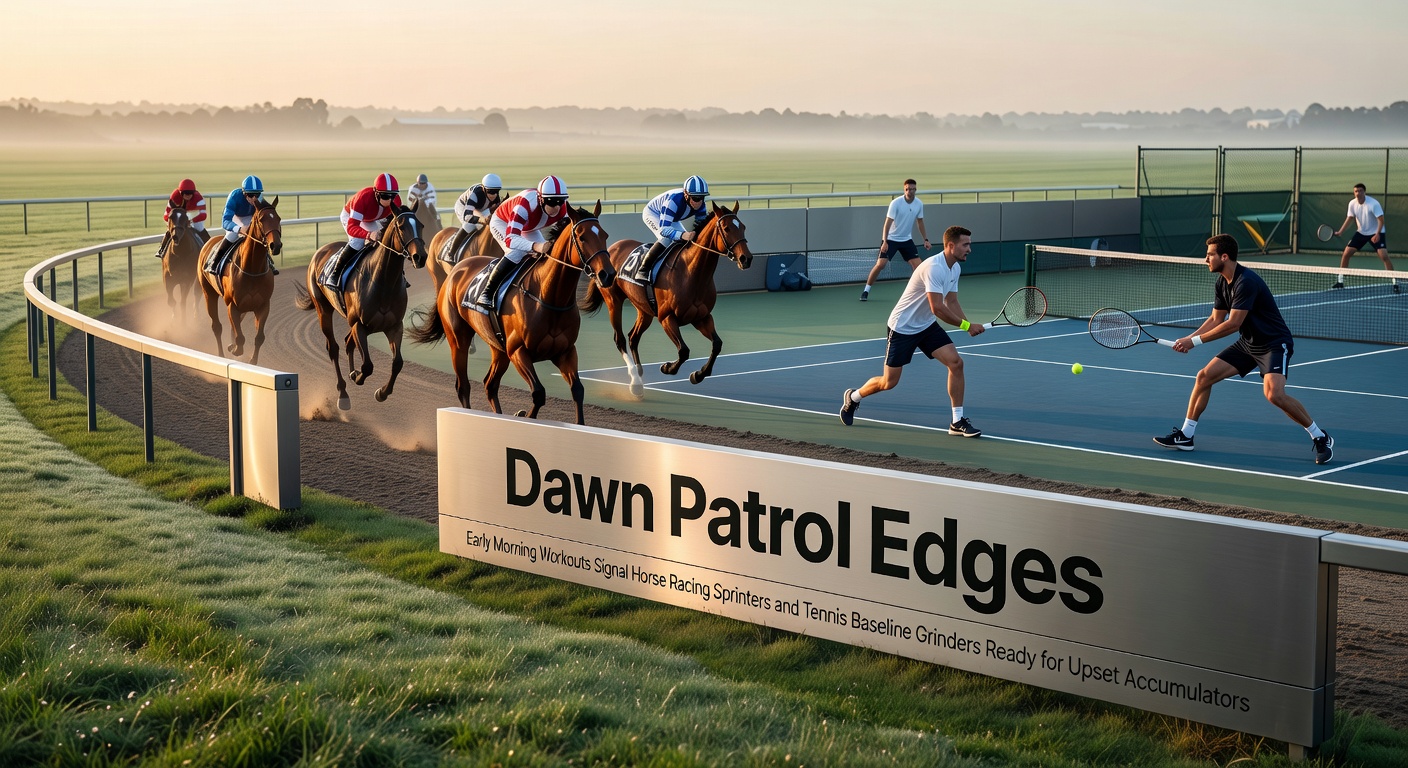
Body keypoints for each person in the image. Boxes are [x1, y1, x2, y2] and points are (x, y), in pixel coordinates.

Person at [1154, 234, 1333, 464]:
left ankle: (1320, 436)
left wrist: (1195, 342)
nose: (1205, 259)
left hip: (1273, 343)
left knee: (1274, 395)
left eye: (1209, 255)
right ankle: (1186, 436)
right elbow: (1216, 319)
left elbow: (1233, 324)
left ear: (1224, 256)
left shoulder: (1246, 282)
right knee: (1204, 377)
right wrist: (1188, 338)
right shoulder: (1221, 283)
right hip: (1248, 343)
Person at [839, 225, 984, 437]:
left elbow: (951, 301)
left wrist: (968, 324)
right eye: (965, 245)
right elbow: (937, 308)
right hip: (902, 327)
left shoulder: (955, 269)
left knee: (956, 363)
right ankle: (853, 397)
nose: (969, 249)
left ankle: (956, 421)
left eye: (969, 244)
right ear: (951, 245)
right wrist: (966, 326)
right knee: (889, 382)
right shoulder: (933, 267)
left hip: (926, 325)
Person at [476, 175, 569, 308]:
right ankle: (487, 292)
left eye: (561, 201)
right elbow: (511, 239)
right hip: (502, 222)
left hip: (529, 227)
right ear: (541, 199)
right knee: (516, 252)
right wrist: (536, 246)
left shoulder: (563, 209)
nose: (557, 208)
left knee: (548, 254)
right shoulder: (525, 205)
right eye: (552, 202)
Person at [321, 173, 402, 289]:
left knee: (384, 241)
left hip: (371, 218)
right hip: (351, 217)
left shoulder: (396, 201)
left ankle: (397, 275)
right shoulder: (363, 198)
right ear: (376, 193)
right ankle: (335, 274)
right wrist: (369, 234)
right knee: (357, 242)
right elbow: (352, 227)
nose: (390, 200)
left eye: (393, 196)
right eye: (385, 196)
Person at [859, 179, 931, 302]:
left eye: (912, 189)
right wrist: (885, 241)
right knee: (880, 264)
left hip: (907, 240)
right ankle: (866, 290)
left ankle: (919, 292)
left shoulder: (919, 204)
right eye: (907, 189)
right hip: (891, 239)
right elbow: (887, 224)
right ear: (904, 189)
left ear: (915, 190)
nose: (910, 191)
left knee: (919, 267)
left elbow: (920, 222)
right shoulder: (896, 203)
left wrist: (926, 239)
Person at [639, 176, 710, 277]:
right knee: (665, 238)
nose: (699, 202)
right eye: (695, 198)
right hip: (653, 213)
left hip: (672, 218)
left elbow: (701, 225)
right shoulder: (673, 201)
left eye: (702, 197)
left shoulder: (701, 205)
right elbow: (663, 229)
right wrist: (682, 235)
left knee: (687, 242)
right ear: (686, 194)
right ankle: (643, 269)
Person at [1332, 183, 1397, 292]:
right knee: (1346, 253)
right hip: (1361, 232)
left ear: (1364, 192)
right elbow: (1349, 218)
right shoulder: (1352, 204)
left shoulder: (1373, 204)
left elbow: (1381, 220)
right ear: (1354, 193)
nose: (1358, 193)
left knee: (1384, 256)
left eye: (1360, 191)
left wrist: (1377, 234)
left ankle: (1395, 282)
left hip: (1376, 232)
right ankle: (1340, 281)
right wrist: (1340, 231)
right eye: (1356, 191)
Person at [209, 175, 277, 275]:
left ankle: (269, 262)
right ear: (244, 193)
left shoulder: (260, 199)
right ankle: (215, 262)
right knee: (232, 235)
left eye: (257, 194)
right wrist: (239, 228)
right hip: (234, 217)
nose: (254, 198)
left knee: (259, 234)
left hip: (250, 217)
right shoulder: (234, 196)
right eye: (250, 195)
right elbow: (225, 221)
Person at [448, 173, 503, 256]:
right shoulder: (476, 194)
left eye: (496, 191)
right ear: (483, 188)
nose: (493, 195)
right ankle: (452, 252)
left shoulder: (496, 197)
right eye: (490, 191)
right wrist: (481, 219)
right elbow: (467, 216)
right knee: (469, 225)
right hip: (464, 206)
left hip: (480, 208)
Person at [155, 178, 209, 258]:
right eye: (186, 193)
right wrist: (173, 222)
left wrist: (190, 220)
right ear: (180, 192)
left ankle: (209, 249)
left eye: (190, 193)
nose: (188, 195)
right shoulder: (174, 197)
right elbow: (166, 215)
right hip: (178, 216)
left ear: (194, 192)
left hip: (192, 215)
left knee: (199, 228)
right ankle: (162, 249)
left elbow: (203, 215)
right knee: (170, 230)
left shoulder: (198, 198)